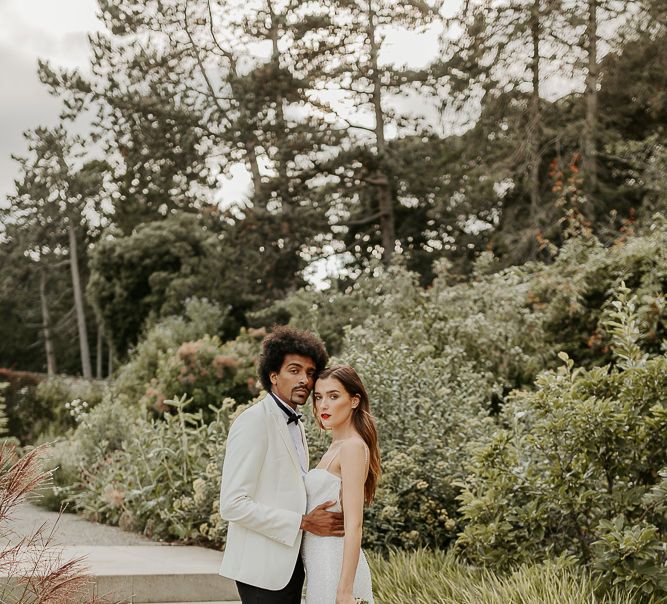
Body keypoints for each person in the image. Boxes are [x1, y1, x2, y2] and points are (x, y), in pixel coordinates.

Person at [218, 326, 343, 604]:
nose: (305, 380)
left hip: (290, 564)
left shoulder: (296, 425)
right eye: (294, 370)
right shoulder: (254, 421)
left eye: (310, 373)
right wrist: (304, 522)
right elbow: (232, 504)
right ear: (273, 375)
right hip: (261, 568)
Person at [303, 364, 381, 604]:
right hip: (319, 566)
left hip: (334, 568)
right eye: (318, 397)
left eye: (333, 396)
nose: (323, 405)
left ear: (354, 400)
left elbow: (355, 524)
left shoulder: (352, 447)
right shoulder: (336, 447)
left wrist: (344, 591)